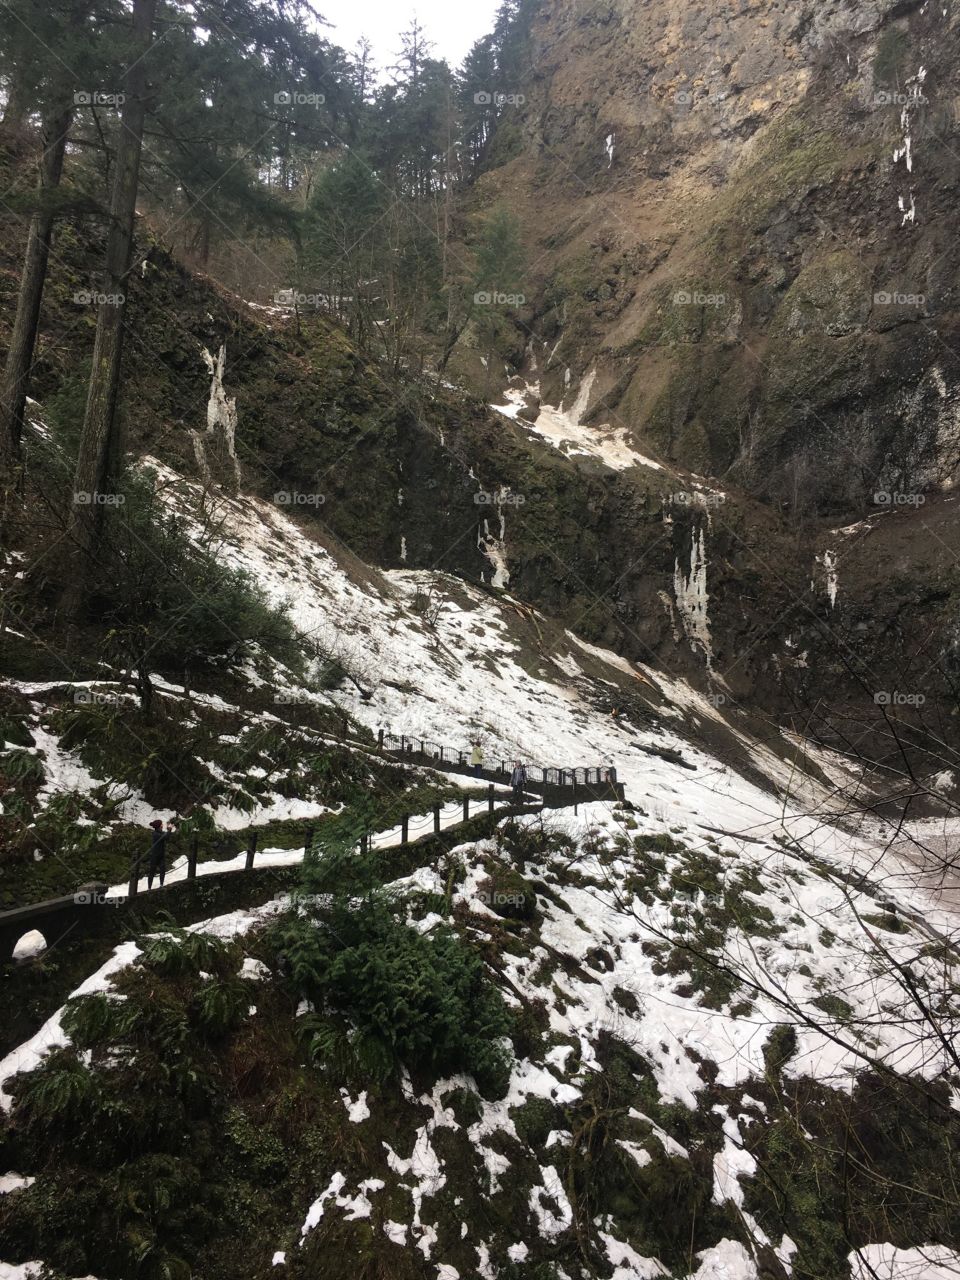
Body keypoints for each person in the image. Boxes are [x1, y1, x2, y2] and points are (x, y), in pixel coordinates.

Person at [147, 818, 169, 889]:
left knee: (162, 870)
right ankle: (149, 888)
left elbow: (167, 836)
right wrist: (169, 830)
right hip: (154, 856)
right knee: (152, 872)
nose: (162, 825)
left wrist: (169, 830)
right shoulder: (155, 834)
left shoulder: (160, 832)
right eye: (161, 824)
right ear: (159, 826)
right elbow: (165, 837)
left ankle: (161, 885)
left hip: (161, 856)